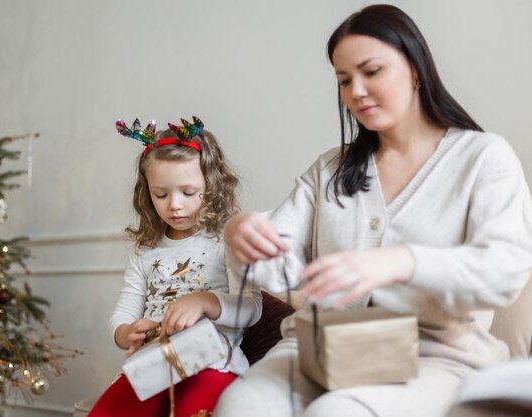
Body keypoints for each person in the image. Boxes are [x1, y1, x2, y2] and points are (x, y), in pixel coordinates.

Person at [213, 4, 532, 417]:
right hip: (320, 349)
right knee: (243, 404)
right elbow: (280, 266)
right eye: (344, 80)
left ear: (415, 68)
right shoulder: (330, 169)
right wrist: (241, 233)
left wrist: (402, 262)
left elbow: (504, 270)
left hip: (434, 359)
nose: (356, 91)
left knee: (338, 412)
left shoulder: (483, 157)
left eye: (371, 72)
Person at [88, 117, 262, 417]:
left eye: (188, 192)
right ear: (147, 194)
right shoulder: (145, 250)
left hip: (212, 364)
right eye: (161, 195)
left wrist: (205, 302)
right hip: (152, 365)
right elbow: (124, 311)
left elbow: (253, 308)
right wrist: (126, 331)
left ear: (212, 185)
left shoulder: (227, 239)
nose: (175, 205)